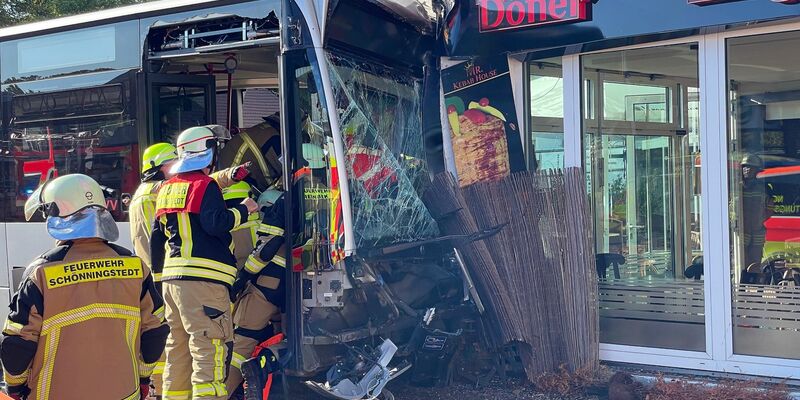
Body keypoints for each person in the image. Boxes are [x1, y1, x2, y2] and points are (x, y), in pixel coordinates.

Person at [1, 174, 168, 400]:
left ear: (57, 216)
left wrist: (15, 386)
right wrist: (142, 379)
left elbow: (17, 345)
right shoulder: (136, 267)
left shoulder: (41, 273)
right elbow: (155, 332)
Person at [130, 143, 251, 398]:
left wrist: (229, 176)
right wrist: (244, 210)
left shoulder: (160, 191)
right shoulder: (182, 187)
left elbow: (156, 238)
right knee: (209, 353)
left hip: (172, 281)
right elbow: (214, 219)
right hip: (203, 282)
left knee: (178, 351)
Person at [738, 154, 773, 282]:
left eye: (750, 168)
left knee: (755, 264)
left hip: (757, 231)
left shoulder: (764, 188)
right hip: (741, 232)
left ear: (757, 170)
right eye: (745, 167)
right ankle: (741, 287)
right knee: (740, 262)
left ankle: (757, 290)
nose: (747, 170)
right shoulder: (736, 188)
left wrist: (759, 220)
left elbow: (770, 208)